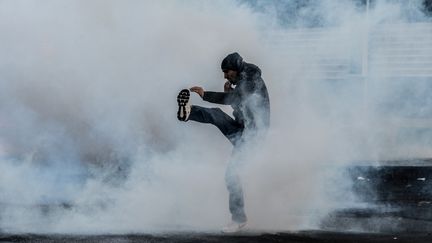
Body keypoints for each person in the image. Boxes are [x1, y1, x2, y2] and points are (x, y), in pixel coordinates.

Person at [177, 52, 270, 233]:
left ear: (236, 69)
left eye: (227, 72)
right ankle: (188, 112)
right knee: (216, 115)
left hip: (253, 136)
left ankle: (238, 219)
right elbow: (241, 105)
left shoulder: (251, 79)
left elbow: (238, 99)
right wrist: (231, 93)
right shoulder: (244, 82)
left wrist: (206, 94)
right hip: (242, 128)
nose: (225, 76)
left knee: (232, 175)